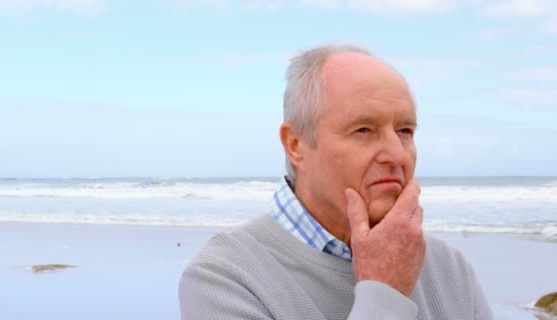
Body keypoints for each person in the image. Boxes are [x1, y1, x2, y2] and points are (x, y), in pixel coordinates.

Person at [179, 44, 493, 320]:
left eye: (405, 131)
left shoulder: (450, 268)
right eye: (364, 130)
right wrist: (384, 293)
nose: (397, 155)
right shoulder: (224, 277)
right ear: (296, 144)